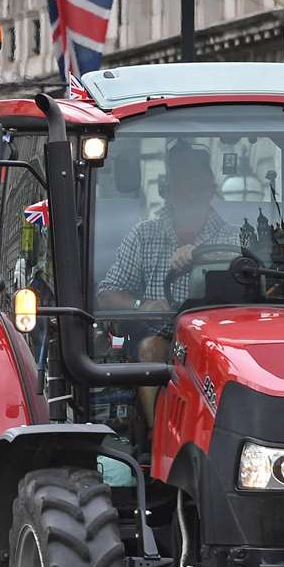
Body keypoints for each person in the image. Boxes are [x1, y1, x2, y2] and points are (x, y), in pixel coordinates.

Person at [98, 144, 239, 425]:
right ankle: (156, 435)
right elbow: (106, 296)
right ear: (168, 189)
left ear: (210, 188)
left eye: (195, 181)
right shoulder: (144, 235)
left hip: (222, 343)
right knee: (150, 349)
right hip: (163, 337)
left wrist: (209, 258)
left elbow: (248, 287)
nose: (187, 190)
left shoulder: (232, 238)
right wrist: (143, 305)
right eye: (181, 181)